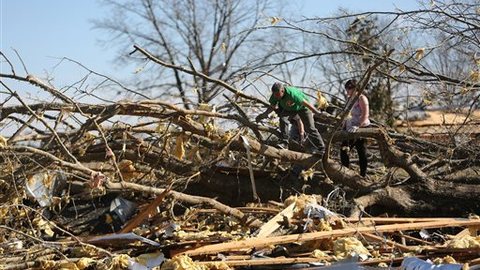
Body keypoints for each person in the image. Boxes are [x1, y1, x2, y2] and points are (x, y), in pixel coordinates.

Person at [255, 82, 325, 155]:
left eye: (278, 95)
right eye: (274, 95)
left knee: (310, 128)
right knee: (283, 119)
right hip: (289, 109)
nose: (276, 97)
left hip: (303, 108)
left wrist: (317, 113)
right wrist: (264, 114)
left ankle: (321, 148)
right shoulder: (275, 95)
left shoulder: (292, 94)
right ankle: (284, 142)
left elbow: (306, 104)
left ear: (282, 91)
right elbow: (272, 106)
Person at [341, 79, 371, 177]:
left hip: (361, 127)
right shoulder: (349, 99)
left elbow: (365, 114)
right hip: (349, 128)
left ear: (355, 88)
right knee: (344, 150)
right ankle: (346, 172)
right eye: (347, 88)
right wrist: (343, 125)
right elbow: (346, 114)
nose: (348, 90)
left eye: (350, 88)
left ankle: (363, 174)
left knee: (361, 151)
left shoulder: (361, 98)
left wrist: (358, 126)